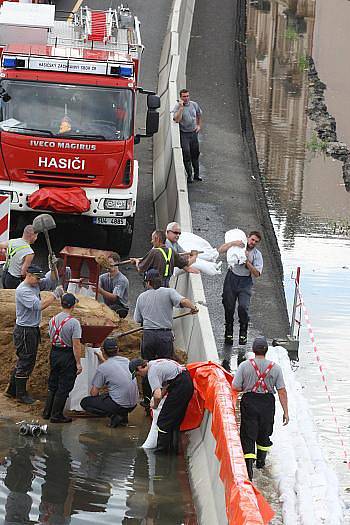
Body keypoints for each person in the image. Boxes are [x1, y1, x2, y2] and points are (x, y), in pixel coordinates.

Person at [133, 268, 198, 410]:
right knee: (164, 367)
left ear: (148, 282)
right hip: (164, 336)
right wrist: (193, 308)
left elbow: (138, 319)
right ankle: (162, 399)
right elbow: (184, 301)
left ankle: (147, 400)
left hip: (148, 336)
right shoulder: (169, 292)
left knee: (146, 367)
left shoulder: (142, 297)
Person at [4, 265, 64, 404]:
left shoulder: (34, 284)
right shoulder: (23, 290)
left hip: (31, 328)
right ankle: (21, 394)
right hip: (25, 330)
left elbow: (49, 281)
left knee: (26, 360)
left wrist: (54, 267)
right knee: (26, 361)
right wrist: (55, 295)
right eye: (37, 278)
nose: (38, 281)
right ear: (28, 275)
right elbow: (39, 306)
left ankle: (12, 390)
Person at [232, 336, 289, 481]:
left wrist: (247, 386)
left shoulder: (244, 366)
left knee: (248, 433)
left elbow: (235, 386)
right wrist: (286, 412)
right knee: (264, 432)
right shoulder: (275, 368)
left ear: (253, 350)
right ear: (267, 350)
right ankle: (261, 464)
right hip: (267, 403)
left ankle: (249, 470)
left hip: (249, 401)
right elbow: (282, 391)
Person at [129, 358, 194, 454]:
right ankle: (173, 450)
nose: (140, 376)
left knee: (163, 422)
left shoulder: (152, 372)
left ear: (140, 368)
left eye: (138, 374)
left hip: (180, 386)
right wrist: (160, 397)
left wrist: (155, 405)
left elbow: (157, 395)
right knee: (174, 421)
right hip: (185, 381)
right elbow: (166, 385)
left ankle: (162, 453)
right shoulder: (154, 363)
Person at [80, 337, 138, 428]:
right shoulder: (126, 361)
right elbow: (113, 366)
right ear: (118, 350)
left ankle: (115, 415)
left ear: (103, 351)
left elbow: (94, 393)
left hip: (120, 405)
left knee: (85, 402)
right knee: (113, 393)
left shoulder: (103, 368)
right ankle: (123, 416)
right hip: (133, 404)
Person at [43, 293, 83, 423]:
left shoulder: (52, 320)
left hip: (54, 352)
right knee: (64, 385)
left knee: (53, 382)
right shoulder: (74, 323)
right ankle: (56, 415)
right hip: (67, 355)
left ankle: (47, 412)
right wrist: (78, 363)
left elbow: (50, 336)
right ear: (73, 305)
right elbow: (76, 345)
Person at [219, 230, 263, 345]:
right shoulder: (237, 245)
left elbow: (257, 274)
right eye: (252, 239)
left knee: (243, 307)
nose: (253, 242)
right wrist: (233, 243)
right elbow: (220, 250)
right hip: (231, 278)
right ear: (248, 237)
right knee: (229, 306)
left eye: (256, 242)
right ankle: (228, 331)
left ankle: (243, 332)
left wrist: (247, 261)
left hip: (245, 282)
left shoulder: (257, 255)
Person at [173, 88, 203, 183]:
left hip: (193, 133)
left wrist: (198, 125)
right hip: (184, 134)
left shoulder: (194, 104)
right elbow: (176, 119)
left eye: (187, 96)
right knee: (186, 154)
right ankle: (189, 175)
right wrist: (181, 108)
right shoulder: (178, 107)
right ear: (180, 97)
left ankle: (196, 175)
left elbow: (199, 114)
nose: (186, 98)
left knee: (195, 154)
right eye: (184, 97)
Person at [0, 225, 37, 289]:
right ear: (32, 236)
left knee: (6, 295)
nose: (36, 238)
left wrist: (4, 253)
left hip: (5, 275)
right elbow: (23, 271)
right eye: (36, 236)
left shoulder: (12, 241)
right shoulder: (29, 252)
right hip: (14, 280)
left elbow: (1, 246)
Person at [97, 252, 129, 318]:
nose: (109, 265)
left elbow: (114, 298)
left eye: (111, 262)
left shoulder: (122, 280)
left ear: (117, 263)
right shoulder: (103, 277)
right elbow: (96, 284)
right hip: (108, 306)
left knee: (108, 310)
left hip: (121, 307)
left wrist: (100, 290)